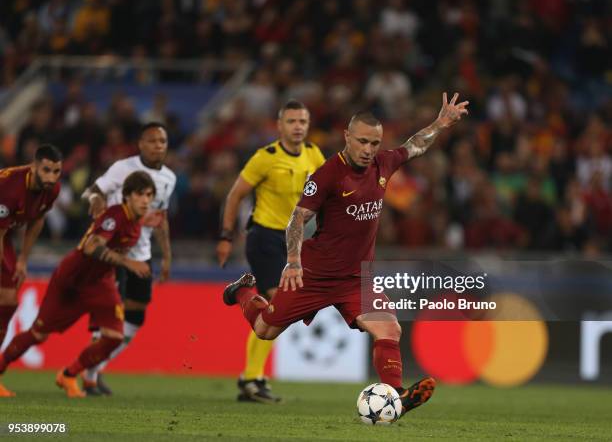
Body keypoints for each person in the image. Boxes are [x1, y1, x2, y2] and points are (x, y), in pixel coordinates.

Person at [223, 93, 469, 417]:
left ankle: (395, 396)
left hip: (356, 277)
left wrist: (440, 123)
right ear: (347, 138)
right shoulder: (328, 174)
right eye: (363, 142)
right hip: (314, 274)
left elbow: (415, 146)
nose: (369, 150)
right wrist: (294, 262)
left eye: (375, 143)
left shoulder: (383, 163)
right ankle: (240, 290)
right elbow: (297, 219)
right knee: (265, 330)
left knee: (389, 329)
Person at [0, 171, 155, 398]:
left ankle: (69, 374)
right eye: (140, 194)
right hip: (72, 279)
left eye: (149, 195)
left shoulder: (136, 223)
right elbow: (92, 247)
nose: (145, 200)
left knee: (114, 336)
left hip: (100, 283)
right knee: (38, 334)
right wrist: (126, 262)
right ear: (127, 196)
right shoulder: (115, 217)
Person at [216, 100, 325, 403]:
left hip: (294, 241)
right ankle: (251, 379)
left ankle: (251, 376)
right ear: (279, 126)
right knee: (278, 303)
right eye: (291, 121)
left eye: (303, 121)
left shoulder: (314, 155)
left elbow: (327, 193)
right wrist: (226, 236)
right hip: (264, 237)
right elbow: (235, 195)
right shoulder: (265, 158)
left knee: (278, 311)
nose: (298, 126)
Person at [80, 122, 176, 395]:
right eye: (153, 140)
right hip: (113, 252)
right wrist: (95, 201)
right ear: (141, 144)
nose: (158, 145)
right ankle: (87, 375)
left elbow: (161, 218)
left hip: (142, 253)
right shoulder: (123, 168)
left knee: (136, 315)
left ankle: (95, 369)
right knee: (109, 315)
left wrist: (166, 256)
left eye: (163, 141)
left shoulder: (169, 177)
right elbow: (92, 190)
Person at [0, 144, 63, 349]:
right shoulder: (9, 188)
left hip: (4, 234)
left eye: (56, 172)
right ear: (33, 167)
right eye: (46, 170)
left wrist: (23, 260)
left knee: (9, 303)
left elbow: (37, 219)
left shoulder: (52, 189)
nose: (51, 177)